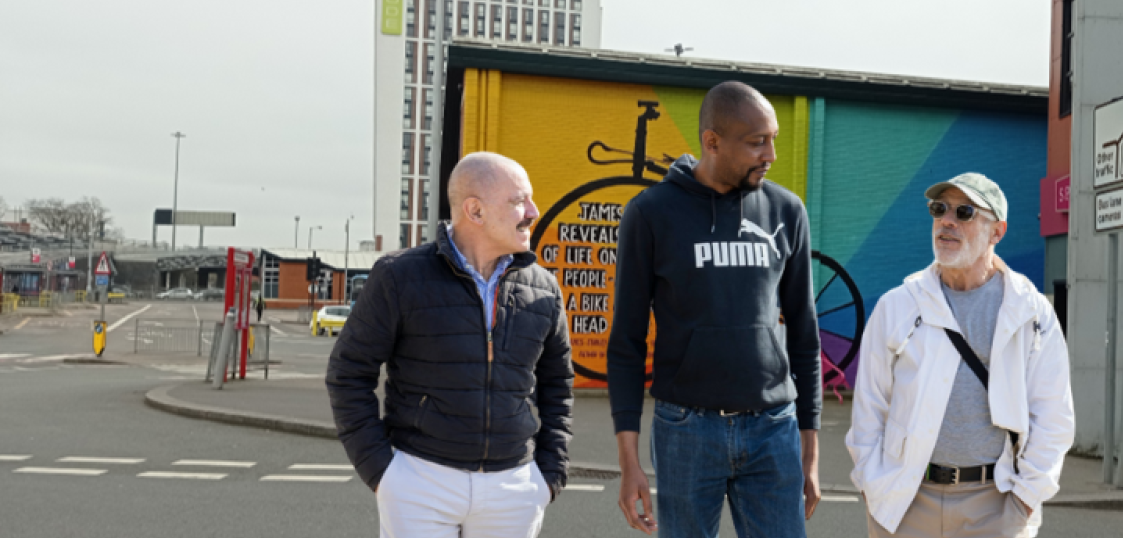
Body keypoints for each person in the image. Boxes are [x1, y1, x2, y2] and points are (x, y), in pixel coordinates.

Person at [608, 80, 823, 537]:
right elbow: (625, 343)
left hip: (773, 429)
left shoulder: (787, 211)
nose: (771, 154)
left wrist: (810, 451)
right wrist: (629, 464)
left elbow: (804, 332)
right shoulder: (651, 213)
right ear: (712, 142)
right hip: (686, 429)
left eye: (773, 139)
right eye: (756, 142)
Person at [327, 152, 574, 538]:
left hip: (515, 486)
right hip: (420, 481)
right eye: (518, 201)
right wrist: (383, 472)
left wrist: (549, 474)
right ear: (474, 211)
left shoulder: (544, 288)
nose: (533, 211)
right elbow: (348, 373)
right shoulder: (399, 277)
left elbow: (558, 384)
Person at [845, 173, 1075, 538]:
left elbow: (1053, 416)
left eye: (964, 212)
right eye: (940, 209)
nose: (947, 221)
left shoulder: (1030, 311)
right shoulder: (897, 305)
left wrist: (1023, 502)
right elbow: (869, 409)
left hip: (994, 503)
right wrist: (873, 486)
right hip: (905, 502)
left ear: (996, 232)